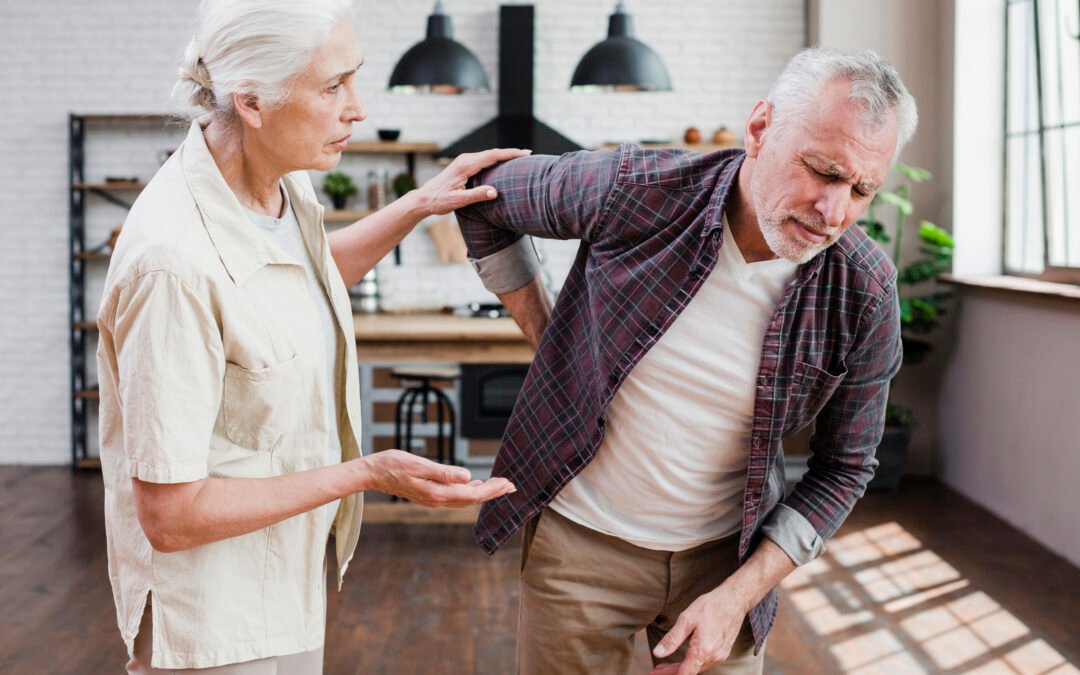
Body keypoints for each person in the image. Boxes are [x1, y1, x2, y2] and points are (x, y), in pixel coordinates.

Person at [455, 47, 917, 674]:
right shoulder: (638, 189)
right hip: (579, 549)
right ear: (760, 130)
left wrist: (737, 597)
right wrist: (549, 336)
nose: (834, 212)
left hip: (726, 563)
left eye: (862, 189)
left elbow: (845, 467)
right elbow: (481, 195)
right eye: (822, 171)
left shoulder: (865, 288)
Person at [95, 0, 525, 672]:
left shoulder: (279, 186)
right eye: (333, 87)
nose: (356, 107)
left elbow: (306, 273)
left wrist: (415, 205)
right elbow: (170, 514)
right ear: (254, 103)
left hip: (284, 585)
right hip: (211, 624)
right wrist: (366, 473)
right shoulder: (171, 265)